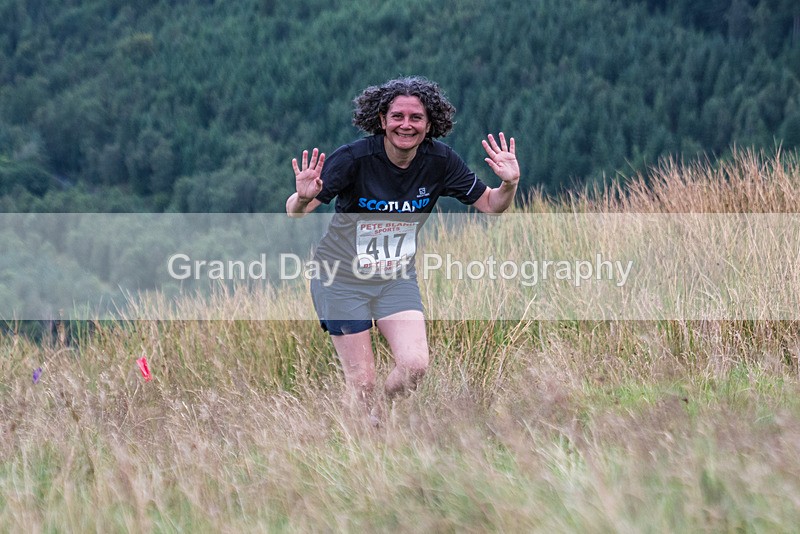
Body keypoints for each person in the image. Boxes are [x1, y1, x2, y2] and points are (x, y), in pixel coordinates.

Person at [285, 76, 519, 422]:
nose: (405, 125)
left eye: (416, 118)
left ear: (429, 125)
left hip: (395, 278)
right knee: (361, 382)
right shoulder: (354, 158)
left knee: (414, 366)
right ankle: (360, 439)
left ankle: (378, 416)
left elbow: (490, 204)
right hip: (340, 278)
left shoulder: (440, 161)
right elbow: (297, 211)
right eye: (397, 116)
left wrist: (509, 183)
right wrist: (303, 197)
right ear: (382, 120)